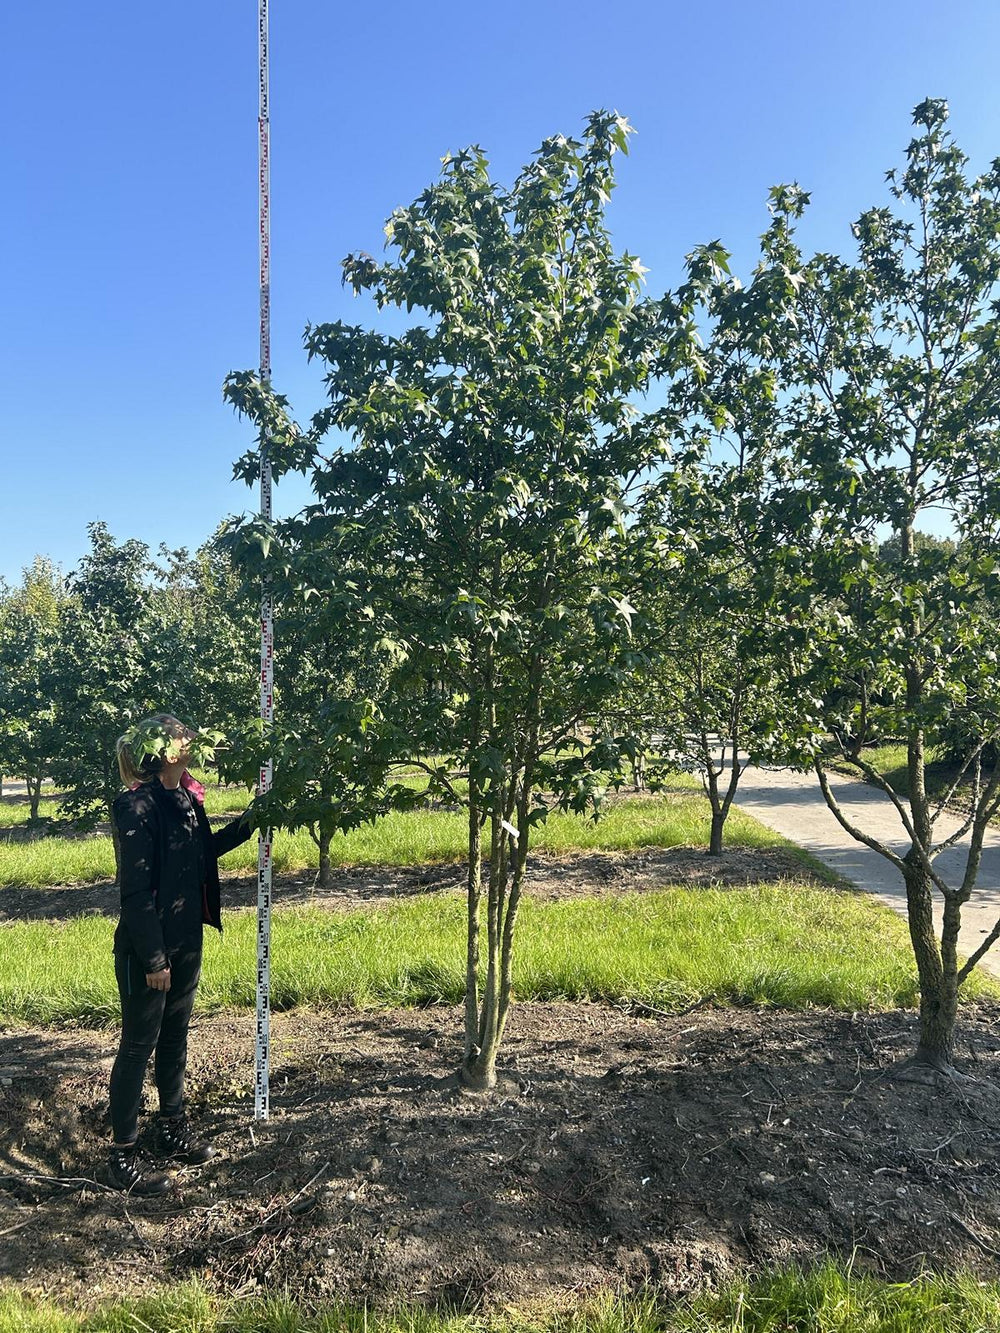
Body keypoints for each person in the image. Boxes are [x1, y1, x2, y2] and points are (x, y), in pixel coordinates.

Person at [107, 713, 253, 1194]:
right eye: (183, 734)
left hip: (188, 938)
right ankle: (123, 1154)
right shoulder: (136, 806)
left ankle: (171, 1128)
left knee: (174, 1038)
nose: (194, 737)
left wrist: (252, 822)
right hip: (149, 951)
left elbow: (200, 852)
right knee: (137, 1045)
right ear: (163, 748)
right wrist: (153, 959)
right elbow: (134, 893)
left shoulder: (185, 798)